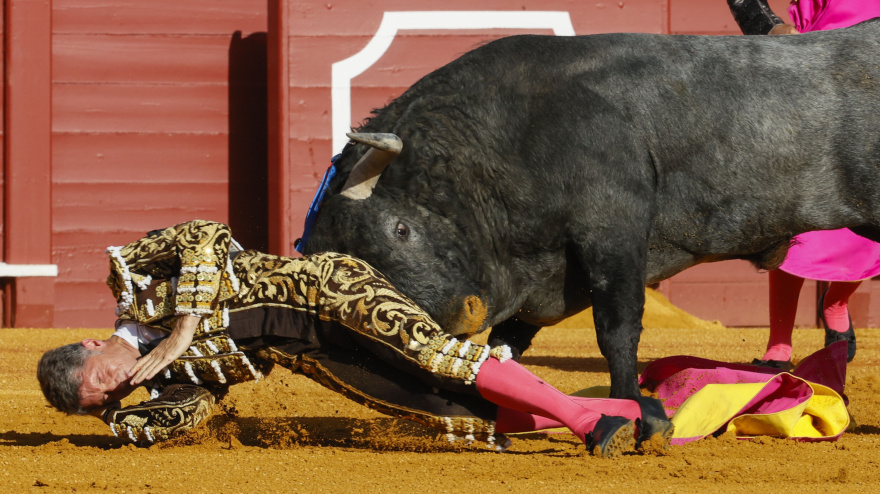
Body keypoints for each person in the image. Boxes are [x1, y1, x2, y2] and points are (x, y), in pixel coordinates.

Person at [38, 220, 669, 456]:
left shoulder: (131, 277)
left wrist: (179, 332)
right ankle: (616, 412)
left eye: (102, 379)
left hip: (324, 291)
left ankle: (584, 424)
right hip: (316, 354)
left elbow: (204, 235)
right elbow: (186, 417)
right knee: (447, 414)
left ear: (93, 346)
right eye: (107, 397)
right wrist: (125, 419)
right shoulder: (169, 383)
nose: (118, 385)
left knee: (432, 354)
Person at [727, 0, 880, 370]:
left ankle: (836, 303)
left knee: (871, 216)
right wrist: (776, 31)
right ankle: (779, 345)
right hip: (821, 71)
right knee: (797, 220)